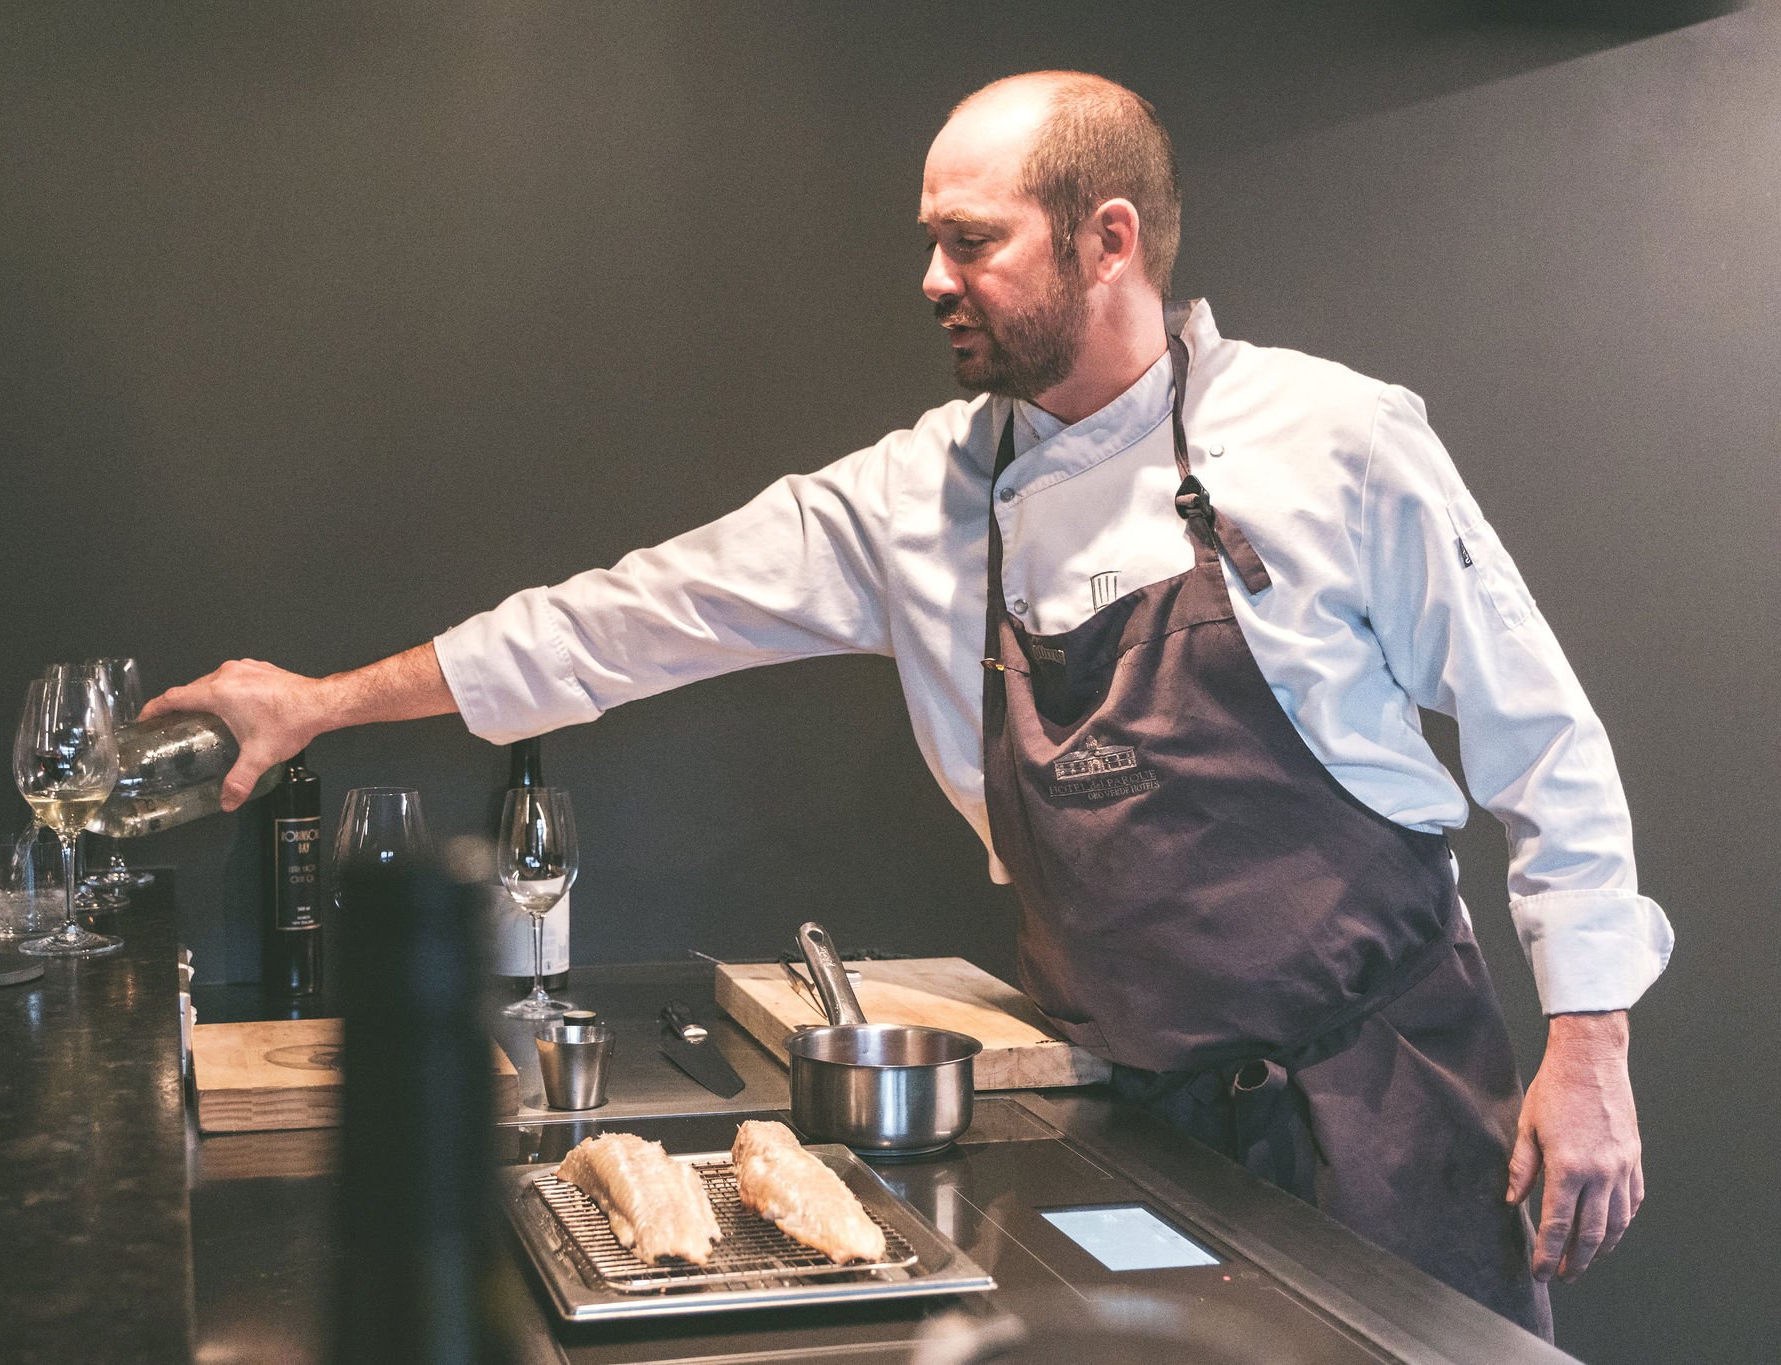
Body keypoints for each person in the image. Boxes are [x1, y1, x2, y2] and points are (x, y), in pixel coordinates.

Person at [147, 71, 1671, 1335]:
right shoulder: (919, 499)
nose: (931, 277)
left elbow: (1546, 736)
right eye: (928, 240)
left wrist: (1589, 1046)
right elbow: (611, 623)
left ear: (1108, 239)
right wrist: (320, 702)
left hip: (1390, 1095)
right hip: (1130, 1125)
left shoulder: (1334, 440)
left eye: (969, 239)